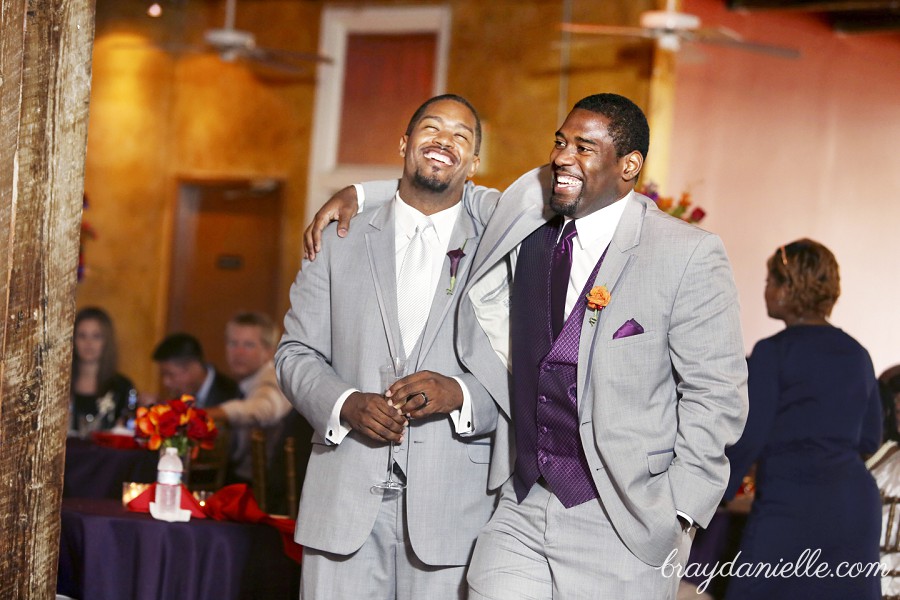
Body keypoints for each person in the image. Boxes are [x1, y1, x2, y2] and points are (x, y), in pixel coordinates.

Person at [307, 93, 749, 599]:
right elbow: (443, 188)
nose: (563, 156)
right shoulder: (528, 214)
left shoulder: (686, 253)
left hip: (625, 515)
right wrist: (361, 194)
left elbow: (717, 395)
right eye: (560, 142)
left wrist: (679, 510)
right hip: (522, 503)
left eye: (584, 147)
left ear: (629, 166)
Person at [275, 94, 500, 599]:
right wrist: (344, 404)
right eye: (431, 128)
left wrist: (461, 395)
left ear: (475, 164)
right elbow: (295, 353)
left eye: (462, 136)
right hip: (342, 507)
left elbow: (522, 371)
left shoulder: (499, 245)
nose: (445, 141)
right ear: (404, 142)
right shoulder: (337, 236)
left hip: (452, 518)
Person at [724, 239, 882, 599]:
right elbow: (870, 438)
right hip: (854, 507)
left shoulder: (773, 353)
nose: (764, 289)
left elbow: (749, 436)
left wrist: (710, 494)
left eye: (769, 280)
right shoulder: (858, 353)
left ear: (788, 287)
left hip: (793, 503)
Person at [204, 312, 294, 484]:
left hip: (266, 493)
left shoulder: (274, 379)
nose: (238, 352)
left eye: (248, 345)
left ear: (268, 351)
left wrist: (207, 415)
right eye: (233, 343)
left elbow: (262, 409)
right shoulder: (242, 383)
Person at [70, 306, 135, 432]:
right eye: (82, 336)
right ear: (72, 340)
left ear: (106, 341)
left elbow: (129, 434)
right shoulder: (59, 387)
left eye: (96, 336)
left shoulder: (122, 387)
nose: (89, 343)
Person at [151, 332, 240, 408]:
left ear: (194, 367)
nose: (166, 382)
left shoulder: (232, 394)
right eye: (163, 375)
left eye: (170, 374)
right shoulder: (176, 397)